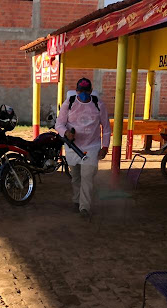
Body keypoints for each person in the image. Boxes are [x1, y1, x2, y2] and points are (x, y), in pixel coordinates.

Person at [56, 77, 110, 218]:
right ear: (76, 91)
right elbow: (59, 124)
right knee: (76, 177)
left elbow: (106, 128)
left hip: (92, 146)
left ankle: (84, 207)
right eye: (81, 91)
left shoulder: (99, 105)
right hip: (73, 147)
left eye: (86, 91)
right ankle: (76, 200)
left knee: (87, 177)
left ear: (91, 91)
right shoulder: (69, 103)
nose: (84, 94)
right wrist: (66, 133)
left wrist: (105, 146)